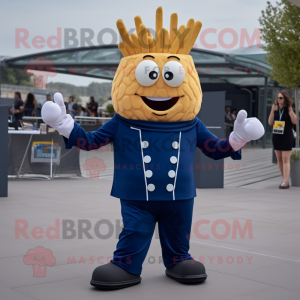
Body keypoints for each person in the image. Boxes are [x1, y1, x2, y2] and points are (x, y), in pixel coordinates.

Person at [268, 90, 297, 189]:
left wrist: (290, 110)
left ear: (285, 99)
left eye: (280, 98)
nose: (278, 100)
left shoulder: (289, 108)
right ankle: (284, 179)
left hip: (287, 136)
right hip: (277, 136)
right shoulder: (275, 109)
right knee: (279, 159)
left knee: (285, 159)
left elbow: (295, 121)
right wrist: (272, 110)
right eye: (277, 98)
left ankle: (285, 181)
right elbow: (270, 122)